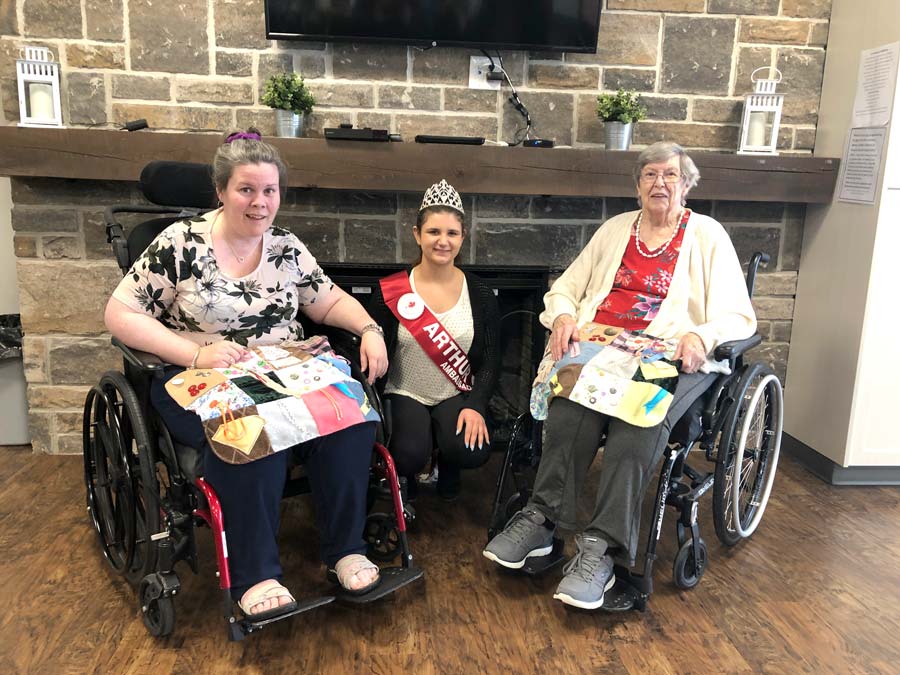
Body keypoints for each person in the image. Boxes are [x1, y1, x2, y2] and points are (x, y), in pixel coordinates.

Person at [104, 128, 389, 620]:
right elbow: (120, 314)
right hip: (199, 371)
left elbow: (328, 299)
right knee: (250, 428)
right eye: (247, 189)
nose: (260, 203)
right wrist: (194, 354)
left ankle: (344, 548)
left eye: (270, 190)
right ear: (221, 190)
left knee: (351, 413)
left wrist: (369, 328)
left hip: (283, 365)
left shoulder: (285, 247)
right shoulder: (179, 243)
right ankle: (255, 574)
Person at [483, 141, 757, 610]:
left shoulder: (708, 235)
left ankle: (602, 549)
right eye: (650, 175)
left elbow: (738, 315)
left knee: (637, 421)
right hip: (602, 349)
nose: (660, 184)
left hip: (669, 355)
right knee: (568, 409)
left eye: (670, 175)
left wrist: (702, 336)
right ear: (637, 186)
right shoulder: (614, 231)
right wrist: (566, 316)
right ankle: (544, 522)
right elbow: (566, 287)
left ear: (686, 185)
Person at [369, 180, 499, 502]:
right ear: (417, 235)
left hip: (455, 391)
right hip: (404, 390)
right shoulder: (391, 292)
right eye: (433, 232)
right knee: (408, 452)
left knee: (472, 448)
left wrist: (477, 404)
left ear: (462, 237)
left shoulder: (480, 292)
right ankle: (410, 478)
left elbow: (491, 357)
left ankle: (448, 462)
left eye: (452, 233)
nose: (443, 241)